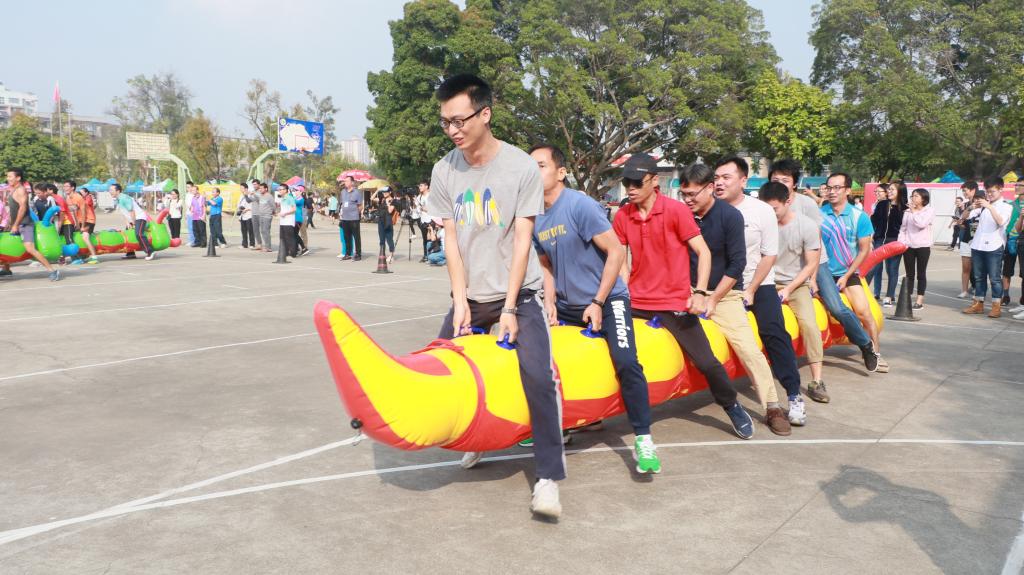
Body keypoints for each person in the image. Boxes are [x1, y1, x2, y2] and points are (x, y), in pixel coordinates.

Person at [426, 74, 565, 518]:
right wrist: (460, 301)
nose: (452, 130)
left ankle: (548, 477)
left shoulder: (521, 167)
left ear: (485, 114)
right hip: (470, 295)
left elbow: (523, 240)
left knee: (538, 377)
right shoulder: (444, 169)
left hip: (517, 294)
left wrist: (508, 307)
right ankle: (478, 439)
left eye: (459, 120)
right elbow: (451, 240)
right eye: (445, 122)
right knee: (441, 367)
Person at [529, 144, 663, 473]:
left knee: (626, 361)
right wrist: (550, 302)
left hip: (608, 298)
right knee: (545, 361)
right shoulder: (534, 217)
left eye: (541, 165)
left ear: (561, 172)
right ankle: (562, 424)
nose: (533, 172)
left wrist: (599, 301)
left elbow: (616, 253)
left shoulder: (580, 205)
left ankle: (643, 439)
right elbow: (545, 265)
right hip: (567, 304)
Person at [681, 162, 789, 435]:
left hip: (725, 294)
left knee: (748, 348)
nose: (688, 200)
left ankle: (773, 406)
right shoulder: (682, 214)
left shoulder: (730, 216)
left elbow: (737, 264)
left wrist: (713, 299)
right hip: (686, 292)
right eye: (684, 194)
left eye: (693, 194)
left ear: (708, 189)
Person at [715, 157, 807, 427]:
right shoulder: (708, 208)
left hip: (758, 282)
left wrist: (752, 289)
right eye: (716, 177)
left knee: (773, 331)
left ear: (743, 180)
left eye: (726, 177)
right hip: (721, 286)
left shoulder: (761, 210)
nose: (719, 183)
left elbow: (769, 255)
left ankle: (793, 394)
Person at [761, 182, 828, 405]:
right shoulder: (761, 224)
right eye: (765, 209)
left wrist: (789, 289)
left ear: (788, 201)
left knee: (809, 324)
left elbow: (811, 264)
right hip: (764, 282)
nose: (770, 214)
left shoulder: (807, 226)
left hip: (796, 284)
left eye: (774, 209)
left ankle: (817, 380)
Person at [820, 173, 888, 371]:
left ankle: (875, 353)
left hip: (848, 273)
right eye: (829, 188)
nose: (832, 192)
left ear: (848, 190)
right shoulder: (819, 215)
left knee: (864, 312)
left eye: (837, 188)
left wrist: (847, 276)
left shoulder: (860, 217)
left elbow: (864, 250)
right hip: (822, 272)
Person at [962, 176, 1013, 317]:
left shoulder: (1006, 206)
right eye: (987, 192)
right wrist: (971, 207)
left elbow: (1001, 222)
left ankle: (996, 306)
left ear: (1001, 190)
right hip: (978, 245)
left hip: (994, 246)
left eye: (992, 192)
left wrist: (989, 207)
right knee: (979, 277)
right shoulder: (983, 206)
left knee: (995, 278)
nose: (989, 194)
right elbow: (964, 216)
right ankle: (978, 304)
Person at [6, 168, 60, 280]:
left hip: (25, 224)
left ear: (18, 178)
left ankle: (53, 271)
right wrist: (9, 222)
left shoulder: (21, 190)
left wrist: (16, 224)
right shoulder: (12, 190)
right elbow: (13, 209)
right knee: (7, 245)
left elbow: (23, 208)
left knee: (30, 248)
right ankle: (6, 269)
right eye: (8, 176)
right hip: (17, 224)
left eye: (10, 176)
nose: (8, 178)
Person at [867, 183, 906, 306]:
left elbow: (905, 226)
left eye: (892, 189)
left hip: (895, 241)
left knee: (892, 269)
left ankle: (889, 296)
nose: (889, 191)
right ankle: (863, 292)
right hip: (879, 240)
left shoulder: (905, 207)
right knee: (872, 267)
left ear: (900, 191)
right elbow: (873, 221)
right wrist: (871, 237)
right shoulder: (882, 204)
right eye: (889, 189)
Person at [898, 188, 935, 310]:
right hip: (908, 246)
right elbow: (903, 228)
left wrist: (913, 212)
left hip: (923, 246)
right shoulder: (907, 212)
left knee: (921, 273)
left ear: (924, 198)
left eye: (916, 196)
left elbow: (921, 224)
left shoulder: (929, 211)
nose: (913, 198)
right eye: (912, 196)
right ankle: (907, 297)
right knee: (909, 273)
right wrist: (902, 243)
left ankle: (919, 300)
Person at [110, 183, 156, 261]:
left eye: (111, 190)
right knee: (127, 235)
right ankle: (130, 253)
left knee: (139, 234)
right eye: (110, 190)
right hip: (132, 219)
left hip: (139, 217)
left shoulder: (124, 198)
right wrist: (127, 222)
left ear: (118, 191)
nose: (110, 192)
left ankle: (150, 251)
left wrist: (134, 223)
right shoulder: (117, 199)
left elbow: (132, 211)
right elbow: (124, 212)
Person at [999, 182, 1024, 307]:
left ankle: (1022, 300)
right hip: (1011, 240)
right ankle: (1005, 296)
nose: (1017, 187)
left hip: (1022, 241)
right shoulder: (1011, 205)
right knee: (1007, 270)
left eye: (1021, 185)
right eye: (1016, 185)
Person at [957, 181, 981, 298]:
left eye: (965, 190)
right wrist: (960, 223)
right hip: (966, 238)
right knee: (966, 267)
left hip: (980, 240)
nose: (964, 193)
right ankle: (964, 290)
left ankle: (978, 290)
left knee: (978, 267)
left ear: (973, 190)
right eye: (963, 191)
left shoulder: (983, 203)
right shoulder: (966, 204)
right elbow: (962, 219)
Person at [65, 181, 98, 264]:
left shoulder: (78, 197)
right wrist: (77, 224)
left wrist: (82, 226)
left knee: (85, 236)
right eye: (64, 186)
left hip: (89, 220)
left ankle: (94, 257)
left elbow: (84, 213)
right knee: (75, 236)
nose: (65, 188)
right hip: (80, 220)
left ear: (72, 188)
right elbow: (74, 212)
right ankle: (83, 256)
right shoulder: (68, 198)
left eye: (67, 186)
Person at [339, 176, 362, 261]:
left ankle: (358, 254)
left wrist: (356, 214)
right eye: (345, 181)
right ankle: (348, 253)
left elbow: (360, 206)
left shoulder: (357, 192)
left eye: (347, 181)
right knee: (346, 237)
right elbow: (342, 204)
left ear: (352, 182)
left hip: (354, 219)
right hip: (344, 218)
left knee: (356, 237)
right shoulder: (343, 192)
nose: (345, 182)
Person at [374, 188, 397, 263]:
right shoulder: (382, 199)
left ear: (390, 192)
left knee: (389, 238)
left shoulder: (393, 200)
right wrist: (377, 191)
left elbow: (390, 211)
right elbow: (372, 198)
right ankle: (382, 254)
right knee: (381, 238)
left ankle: (391, 255)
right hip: (381, 220)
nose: (384, 193)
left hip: (388, 221)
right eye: (383, 192)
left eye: (386, 192)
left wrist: (387, 203)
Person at [276, 185, 296, 261]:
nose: (279, 191)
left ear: (285, 190)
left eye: (281, 189)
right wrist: (279, 213)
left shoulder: (290, 198)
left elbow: (294, 209)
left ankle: (293, 253)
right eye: (279, 189)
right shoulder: (282, 198)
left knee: (289, 238)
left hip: (288, 221)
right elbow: (283, 209)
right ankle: (285, 252)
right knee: (282, 237)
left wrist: (285, 213)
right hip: (282, 221)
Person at [256, 183, 275, 252]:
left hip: (267, 216)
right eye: (259, 188)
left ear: (266, 189)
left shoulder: (269, 196)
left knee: (266, 231)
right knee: (262, 231)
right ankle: (266, 246)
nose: (260, 189)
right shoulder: (260, 196)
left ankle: (268, 247)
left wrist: (272, 212)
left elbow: (273, 206)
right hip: (261, 216)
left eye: (261, 188)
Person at [416, 180, 432, 262]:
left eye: (421, 185)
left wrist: (424, 209)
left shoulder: (430, 196)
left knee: (431, 239)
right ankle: (425, 255)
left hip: (431, 220)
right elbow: (418, 209)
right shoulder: (419, 197)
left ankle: (431, 255)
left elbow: (434, 209)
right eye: (419, 186)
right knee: (425, 239)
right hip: (422, 220)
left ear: (426, 186)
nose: (420, 187)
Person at [237, 183, 255, 249]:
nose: (241, 189)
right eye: (240, 188)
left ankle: (252, 244)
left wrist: (246, 209)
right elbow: (239, 205)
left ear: (246, 189)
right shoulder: (240, 196)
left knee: (250, 230)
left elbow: (252, 205)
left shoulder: (250, 195)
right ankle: (244, 244)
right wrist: (240, 210)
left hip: (249, 215)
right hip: (242, 215)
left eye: (242, 188)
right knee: (243, 231)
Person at [184, 182, 197, 247]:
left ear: (192, 187)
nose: (188, 188)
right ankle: (191, 240)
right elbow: (186, 205)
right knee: (189, 227)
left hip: (193, 213)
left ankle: (193, 241)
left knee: (192, 227)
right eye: (187, 187)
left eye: (189, 187)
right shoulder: (187, 194)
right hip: (188, 213)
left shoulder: (193, 195)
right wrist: (186, 214)